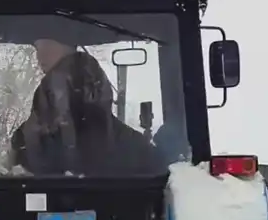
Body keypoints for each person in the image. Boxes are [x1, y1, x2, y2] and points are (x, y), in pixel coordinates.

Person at [11, 34, 166, 177]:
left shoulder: (31, 142)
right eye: (38, 48)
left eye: (47, 46)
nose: (40, 56)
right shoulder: (133, 147)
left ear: (68, 46)